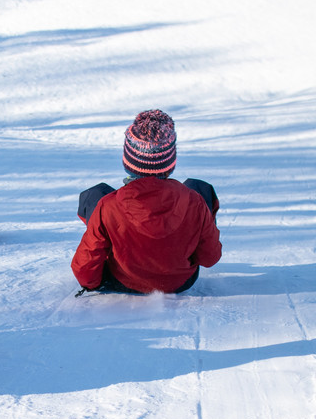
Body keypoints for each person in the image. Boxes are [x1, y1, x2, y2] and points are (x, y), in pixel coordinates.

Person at [71, 110, 221, 294]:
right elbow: (210, 258)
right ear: (170, 162)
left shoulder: (107, 206)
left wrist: (92, 283)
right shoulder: (195, 201)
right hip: (179, 282)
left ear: (128, 160)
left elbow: (84, 268)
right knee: (200, 187)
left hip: (124, 281)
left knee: (95, 194)